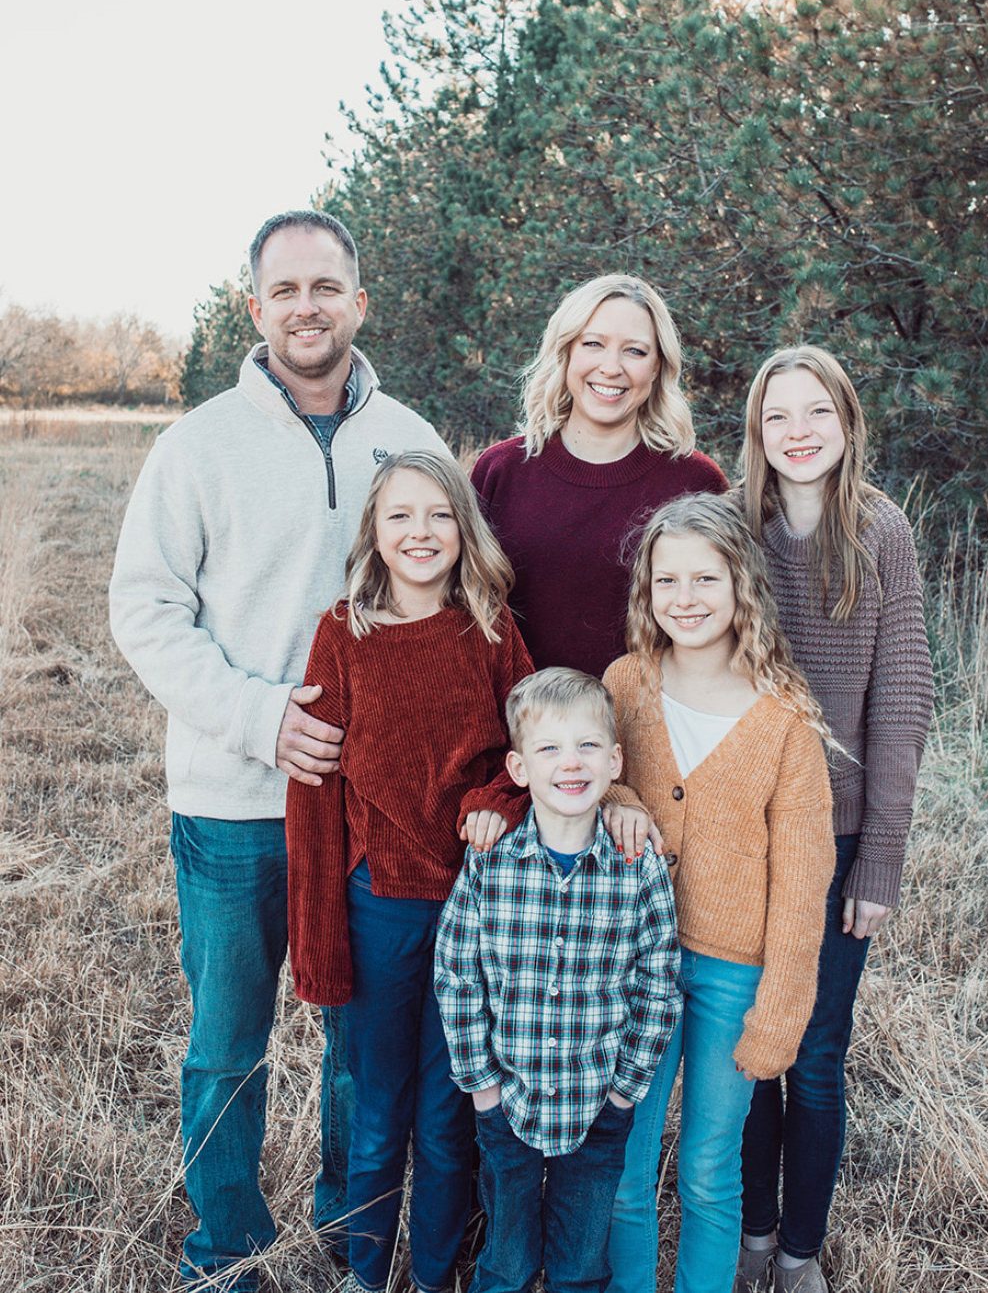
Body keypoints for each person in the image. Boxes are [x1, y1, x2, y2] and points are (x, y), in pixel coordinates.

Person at [108, 211, 447, 1293]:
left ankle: (349, 1237)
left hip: (371, 810)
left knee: (362, 1044)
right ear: (254, 308)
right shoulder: (197, 444)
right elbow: (145, 611)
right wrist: (262, 719)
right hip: (234, 802)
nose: (308, 306)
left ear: (360, 302)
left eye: (327, 286)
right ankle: (227, 1254)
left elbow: (454, 606)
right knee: (227, 1045)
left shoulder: (412, 439)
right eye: (286, 289)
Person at [286, 450, 535, 1293]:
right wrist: (319, 940)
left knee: (445, 1113)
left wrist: (499, 799)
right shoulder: (343, 633)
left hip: (470, 909)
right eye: (399, 516)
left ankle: (431, 1275)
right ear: (374, 532)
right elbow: (314, 794)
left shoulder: (491, 630)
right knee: (376, 1110)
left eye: (438, 515)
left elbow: (532, 750)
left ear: (464, 529)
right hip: (378, 907)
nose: (419, 532)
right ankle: (366, 1272)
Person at [734, 346, 934, 1293]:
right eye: (778, 415)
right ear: (756, 432)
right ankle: (751, 1234)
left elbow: (900, 698)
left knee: (814, 1056)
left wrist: (878, 860)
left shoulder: (881, 530)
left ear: (848, 422)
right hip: (743, 834)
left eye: (817, 411)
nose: (798, 431)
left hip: (841, 835)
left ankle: (799, 1252)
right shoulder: (734, 526)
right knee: (749, 1050)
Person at [604, 492, 836, 1293]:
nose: (685, 598)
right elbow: (594, 778)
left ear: (742, 585)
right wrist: (622, 800)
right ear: (646, 591)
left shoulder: (783, 721)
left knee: (708, 1168)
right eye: (666, 580)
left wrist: (780, 1008)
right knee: (627, 1167)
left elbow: (802, 882)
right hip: (635, 963)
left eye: (705, 579)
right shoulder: (625, 684)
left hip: (732, 973)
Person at [434, 667, 681, 1293]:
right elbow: (457, 975)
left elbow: (657, 985)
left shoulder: (638, 869)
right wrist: (482, 1088)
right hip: (507, 1103)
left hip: (597, 1105)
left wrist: (624, 1093)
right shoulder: (491, 864)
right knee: (507, 1263)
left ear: (615, 761)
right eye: (549, 748)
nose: (570, 763)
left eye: (588, 745)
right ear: (519, 769)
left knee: (580, 1268)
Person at [471, 274, 727, 677]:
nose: (611, 368)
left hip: (651, 713)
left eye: (635, 351)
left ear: (658, 367)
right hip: (517, 715)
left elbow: (727, 623)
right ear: (566, 352)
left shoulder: (696, 484)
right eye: (593, 344)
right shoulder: (500, 471)